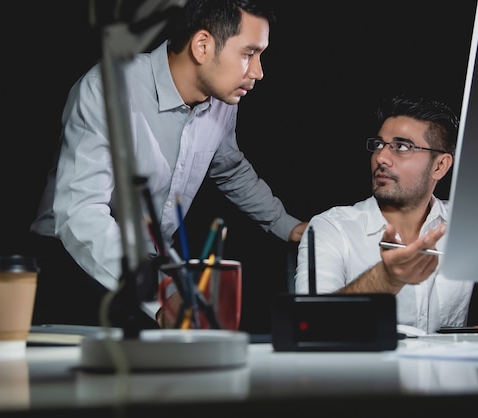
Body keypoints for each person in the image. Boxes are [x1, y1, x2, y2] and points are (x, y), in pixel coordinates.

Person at [29, 0, 307, 329]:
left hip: (155, 266)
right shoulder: (107, 89)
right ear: (202, 46)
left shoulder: (222, 97)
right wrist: (159, 293)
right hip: (75, 262)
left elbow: (230, 169)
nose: (259, 72)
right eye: (249, 54)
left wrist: (287, 226)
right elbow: (80, 214)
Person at [295, 95, 478, 333]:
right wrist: (386, 278)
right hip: (363, 390)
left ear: (440, 166)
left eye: (401, 146)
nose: (381, 157)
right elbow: (307, 326)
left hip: (451, 392)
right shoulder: (330, 228)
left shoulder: (470, 224)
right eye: (379, 144)